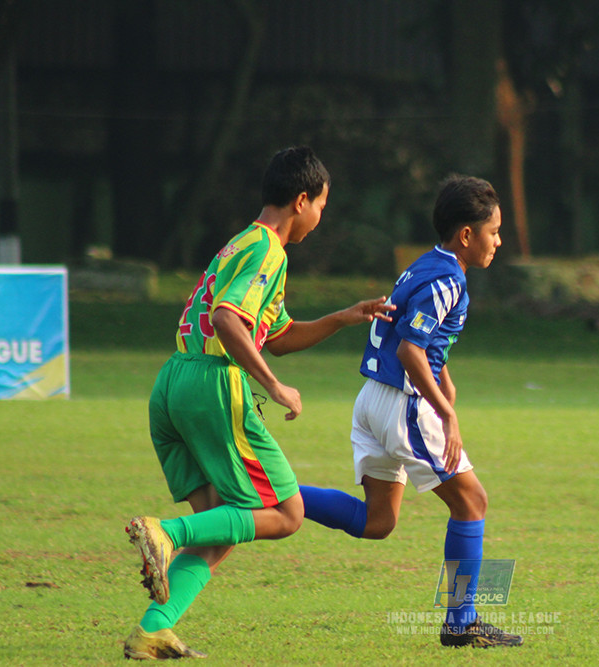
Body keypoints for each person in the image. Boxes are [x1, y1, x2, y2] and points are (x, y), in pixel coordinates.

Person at [122, 146, 395, 660]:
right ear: (301, 200)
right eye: (322, 204)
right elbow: (229, 319)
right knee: (287, 513)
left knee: (221, 528)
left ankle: (151, 630)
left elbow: (277, 333)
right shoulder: (269, 250)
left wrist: (342, 317)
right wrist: (274, 385)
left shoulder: (242, 244)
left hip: (175, 380)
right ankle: (165, 532)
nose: (321, 215)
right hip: (213, 385)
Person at [298, 175, 523, 648]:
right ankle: (462, 621)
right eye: (494, 231)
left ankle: (269, 491)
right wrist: (447, 411)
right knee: (472, 502)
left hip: (372, 401)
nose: (499, 241)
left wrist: (445, 378)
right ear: (467, 235)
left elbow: (421, 340)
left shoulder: (426, 266)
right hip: (404, 404)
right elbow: (410, 352)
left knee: (378, 522)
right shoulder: (449, 278)